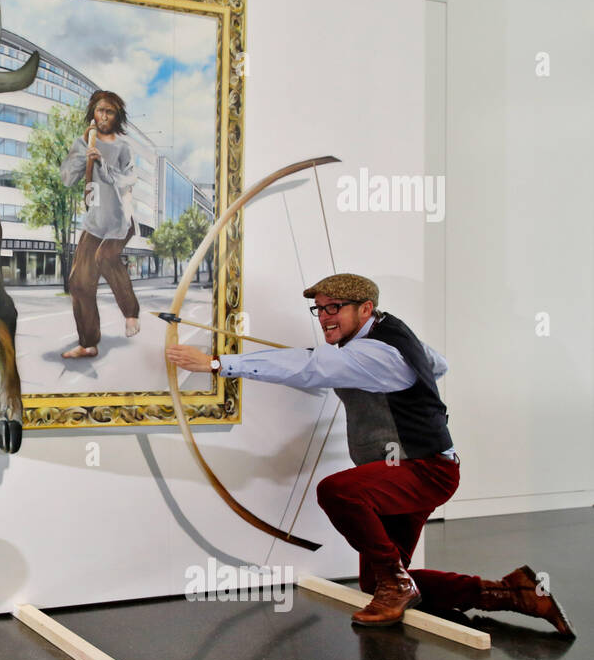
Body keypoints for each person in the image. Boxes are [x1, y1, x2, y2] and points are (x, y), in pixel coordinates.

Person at [165, 273, 574, 637]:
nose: (325, 316)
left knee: (339, 492)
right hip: (408, 470)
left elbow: (309, 369)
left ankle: (398, 584)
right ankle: (509, 593)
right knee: (374, 582)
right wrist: (364, 373)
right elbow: (438, 364)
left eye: (335, 308)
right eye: (319, 308)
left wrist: (217, 363)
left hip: (424, 469)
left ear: (366, 309)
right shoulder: (388, 335)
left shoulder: (379, 352)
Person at [58, 90, 141, 359]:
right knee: (79, 282)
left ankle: (131, 314)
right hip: (95, 220)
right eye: (100, 110)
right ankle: (88, 343)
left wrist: (103, 164)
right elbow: (67, 179)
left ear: (117, 116)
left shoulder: (123, 147)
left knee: (106, 257)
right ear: (92, 112)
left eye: (110, 112)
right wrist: (85, 153)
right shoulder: (83, 142)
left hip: (119, 218)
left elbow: (128, 181)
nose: (104, 116)